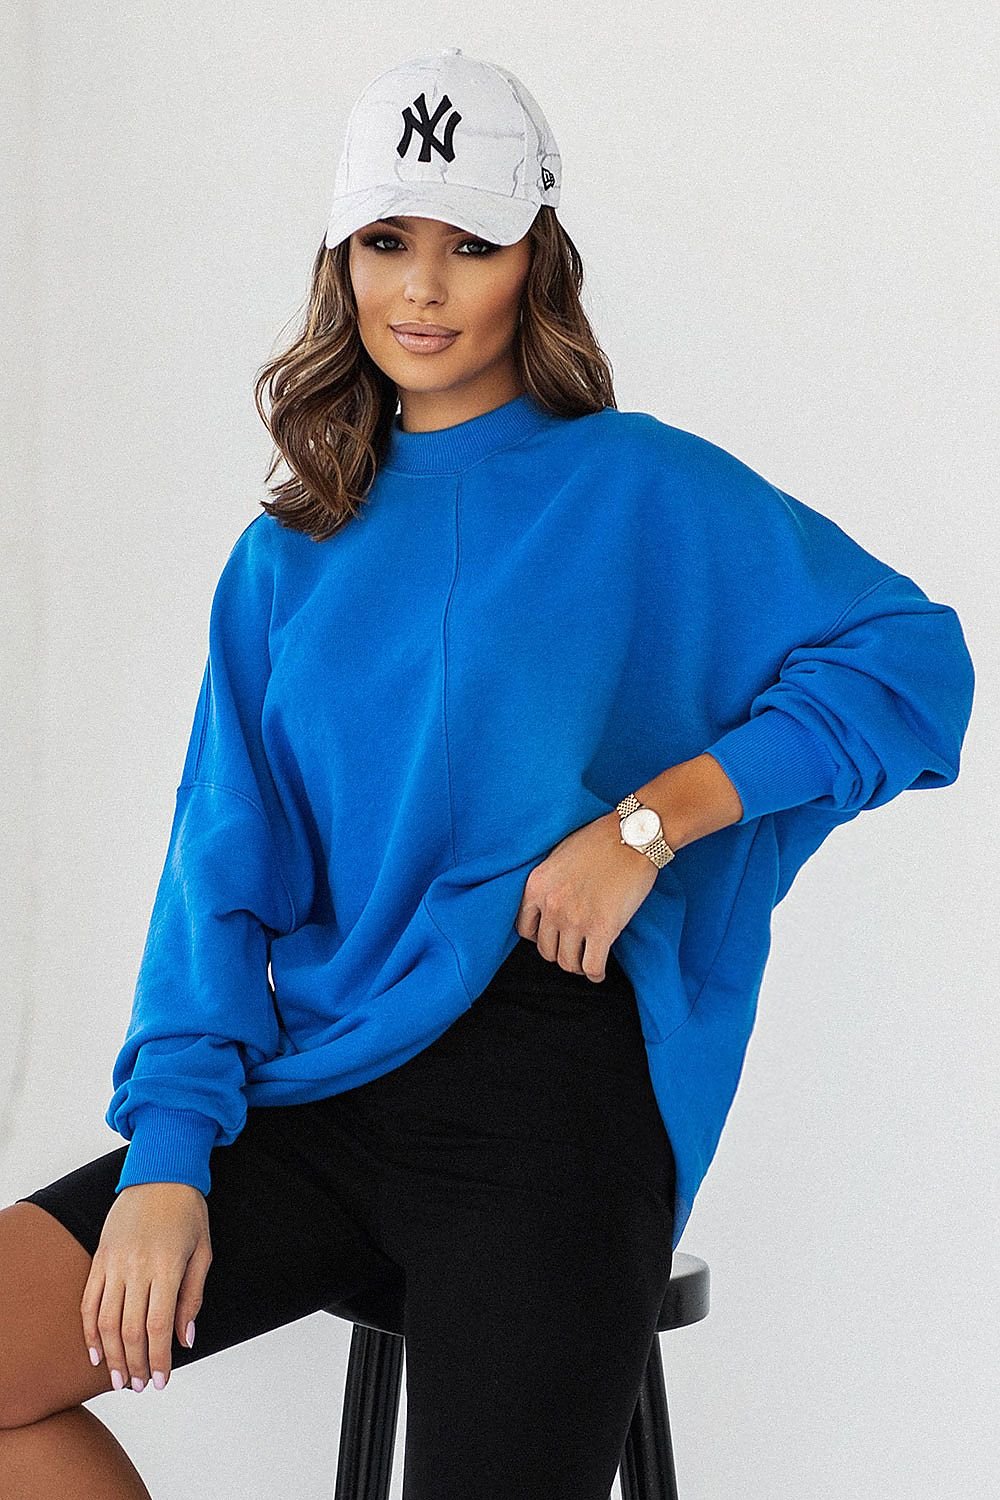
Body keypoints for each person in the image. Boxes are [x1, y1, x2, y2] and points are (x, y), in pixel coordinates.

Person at [1, 46, 975, 1500]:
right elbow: (217, 874)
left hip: (551, 1098)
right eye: (387, 241)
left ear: (536, 261)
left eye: (471, 244)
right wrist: (165, 1155)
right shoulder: (284, 560)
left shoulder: (640, 486)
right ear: (341, 261)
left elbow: (913, 661)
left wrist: (647, 826)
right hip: (320, 1090)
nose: (423, 287)